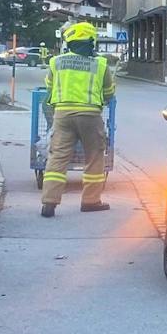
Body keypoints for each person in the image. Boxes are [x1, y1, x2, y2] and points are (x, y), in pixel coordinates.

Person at [40, 22, 116, 217]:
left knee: (58, 156)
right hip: (90, 116)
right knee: (94, 156)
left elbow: (49, 86)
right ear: (91, 41)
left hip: (63, 115)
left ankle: (49, 203)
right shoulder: (100, 64)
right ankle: (91, 201)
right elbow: (109, 92)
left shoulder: (56, 62)